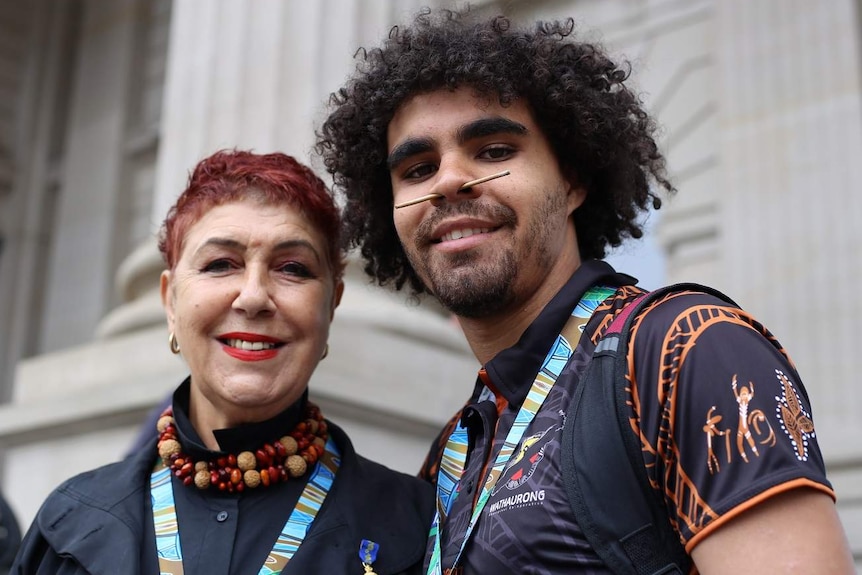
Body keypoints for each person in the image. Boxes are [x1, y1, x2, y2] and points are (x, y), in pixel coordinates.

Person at [315, 8, 855, 574]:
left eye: (495, 150)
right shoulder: (456, 450)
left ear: (572, 181)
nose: (450, 179)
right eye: (418, 169)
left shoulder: (687, 349)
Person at [12, 150, 435, 574]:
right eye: (219, 264)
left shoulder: (414, 527)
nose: (253, 297)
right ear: (170, 302)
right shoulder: (69, 527)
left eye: (292, 268)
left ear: (331, 305)